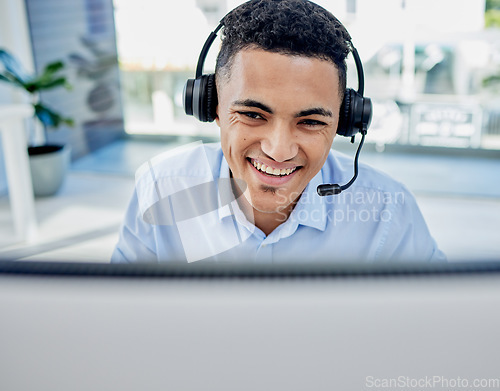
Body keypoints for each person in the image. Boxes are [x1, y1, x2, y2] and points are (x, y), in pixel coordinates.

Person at [111, 0, 446, 263]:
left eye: (311, 122)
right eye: (253, 114)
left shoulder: (388, 211)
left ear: (344, 122)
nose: (279, 149)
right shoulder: (160, 190)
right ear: (210, 105)